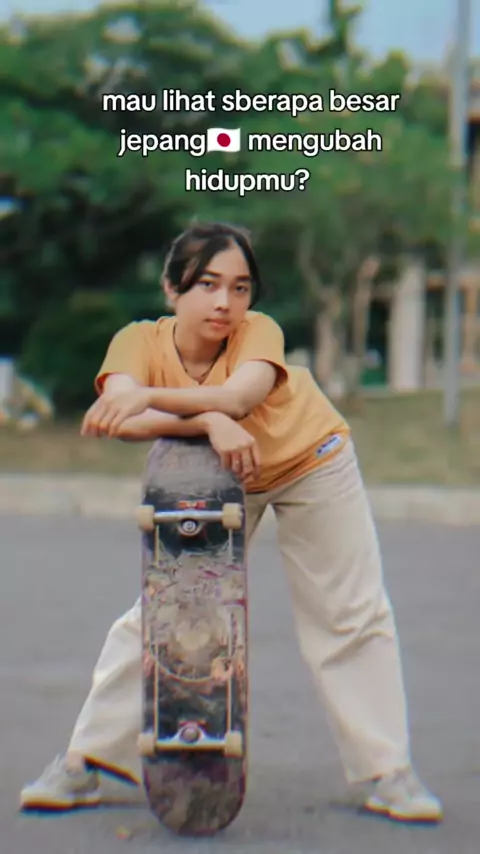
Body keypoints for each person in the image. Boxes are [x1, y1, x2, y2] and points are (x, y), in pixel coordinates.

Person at [20, 221, 442, 823]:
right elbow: (119, 416)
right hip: (221, 475)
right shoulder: (137, 342)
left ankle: (388, 772)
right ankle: (83, 762)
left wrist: (167, 402)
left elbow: (238, 397)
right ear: (172, 289)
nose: (225, 302)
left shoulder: (258, 332)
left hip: (312, 462)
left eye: (240, 287)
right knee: (160, 611)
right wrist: (207, 421)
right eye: (207, 284)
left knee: (349, 612)